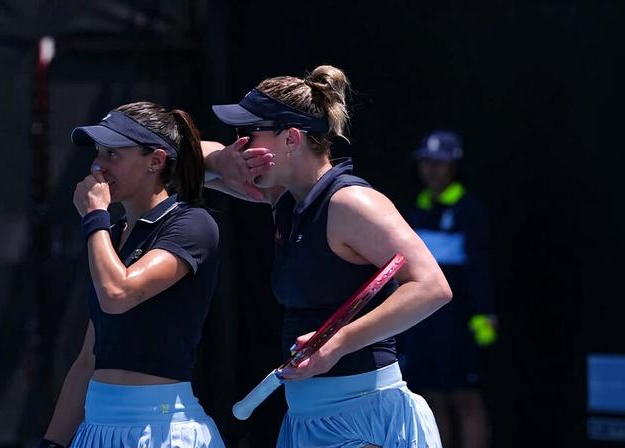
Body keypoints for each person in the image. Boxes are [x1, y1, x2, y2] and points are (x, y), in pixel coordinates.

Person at [201, 65, 452, 447]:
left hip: (366, 419)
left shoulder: (351, 203)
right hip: (306, 419)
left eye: (249, 134)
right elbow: (176, 161)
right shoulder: (283, 197)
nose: (241, 144)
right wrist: (219, 162)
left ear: (291, 138)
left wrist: (337, 344)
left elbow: (432, 287)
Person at [37, 102, 225, 448]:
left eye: (113, 154)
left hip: (162, 429)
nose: (98, 165)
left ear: (155, 161)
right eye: (98, 153)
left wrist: (95, 218)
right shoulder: (113, 234)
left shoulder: (192, 225)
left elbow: (118, 295)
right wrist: (52, 443)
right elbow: (88, 358)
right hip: (96, 428)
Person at [398, 130, 496, 448]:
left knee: (465, 398)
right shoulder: (415, 209)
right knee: (432, 399)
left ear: (453, 166)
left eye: (439, 163)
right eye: (426, 162)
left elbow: (481, 267)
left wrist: (484, 314)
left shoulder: (470, 210)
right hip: (424, 321)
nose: (431, 170)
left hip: (461, 322)